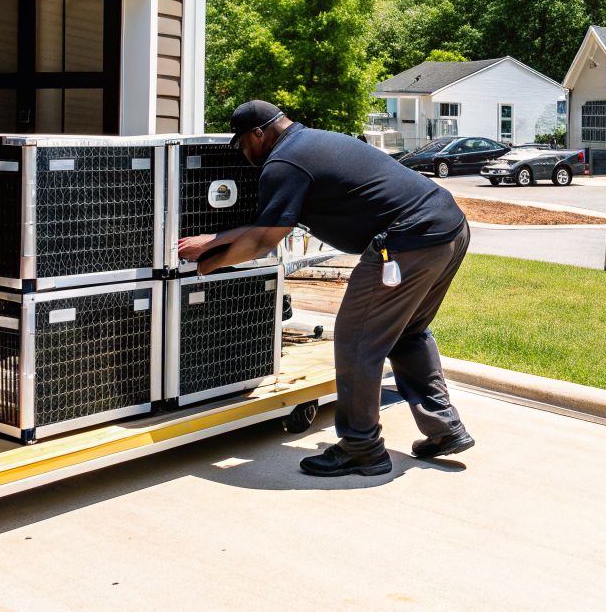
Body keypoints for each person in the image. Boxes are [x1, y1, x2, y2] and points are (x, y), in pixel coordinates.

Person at [177, 100, 474, 477]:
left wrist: (207, 263)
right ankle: (444, 429)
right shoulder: (308, 143)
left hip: (405, 242)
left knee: (356, 342)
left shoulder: (283, 163)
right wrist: (213, 240)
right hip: (448, 227)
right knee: (407, 333)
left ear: (258, 133)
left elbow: (264, 240)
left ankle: (360, 447)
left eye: (241, 144)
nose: (242, 153)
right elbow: (271, 225)